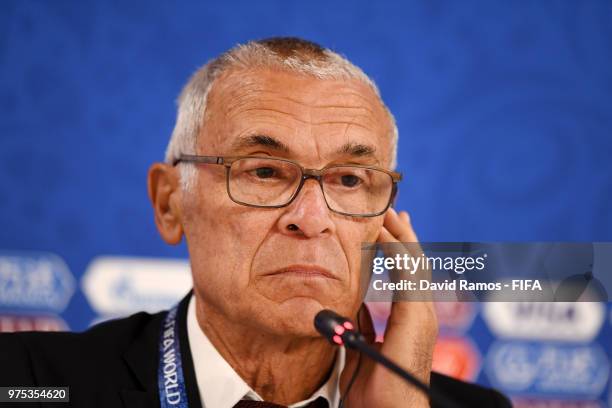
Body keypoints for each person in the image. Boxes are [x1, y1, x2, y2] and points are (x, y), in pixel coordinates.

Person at [0, 37, 511, 408]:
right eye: (264, 172)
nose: (312, 219)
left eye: (350, 180)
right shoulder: (27, 381)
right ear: (169, 203)